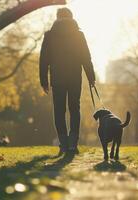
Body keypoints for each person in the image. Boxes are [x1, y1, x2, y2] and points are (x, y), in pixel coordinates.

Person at [39, 8, 96, 155]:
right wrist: (91, 77)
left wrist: (43, 80)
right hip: (74, 78)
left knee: (59, 111)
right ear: (72, 18)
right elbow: (86, 57)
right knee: (74, 109)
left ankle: (63, 144)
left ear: (57, 18)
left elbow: (43, 60)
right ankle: (73, 144)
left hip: (57, 78)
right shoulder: (78, 35)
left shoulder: (50, 35)